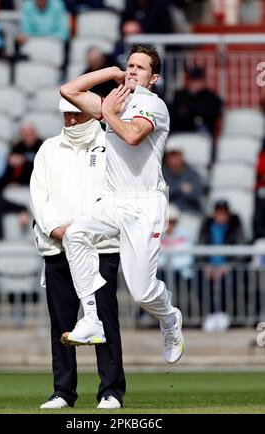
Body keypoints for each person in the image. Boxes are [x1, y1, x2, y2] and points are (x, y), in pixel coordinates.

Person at [59, 44, 184, 364]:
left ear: (154, 78)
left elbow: (131, 136)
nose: (132, 70)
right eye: (129, 65)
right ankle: (91, 319)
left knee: (142, 293)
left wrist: (109, 112)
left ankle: (169, 316)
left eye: (140, 68)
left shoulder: (154, 105)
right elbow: (68, 90)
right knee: (74, 236)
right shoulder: (117, 100)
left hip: (145, 203)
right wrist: (109, 74)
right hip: (114, 199)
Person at [30, 99, 125, 410]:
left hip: (99, 248)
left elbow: (115, 195)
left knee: (104, 320)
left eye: (76, 112)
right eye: (66, 113)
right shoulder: (48, 149)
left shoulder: (110, 144)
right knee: (62, 323)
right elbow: (38, 195)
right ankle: (62, 391)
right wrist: (57, 229)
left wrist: (83, 230)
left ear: (90, 112)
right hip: (57, 247)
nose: (70, 119)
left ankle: (111, 391)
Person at [169, 66, 223, 139]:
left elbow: (213, 112)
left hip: (202, 128)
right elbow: (175, 113)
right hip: (183, 127)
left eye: (199, 80)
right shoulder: (180, 95)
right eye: (193, 80)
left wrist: (190, 110)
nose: (196, 83)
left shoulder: (210, 95)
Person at [162, 146, 204, 214]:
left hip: (189, 212)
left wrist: (170, 188)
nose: (174, 159)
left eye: (176, 155)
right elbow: (162, 195)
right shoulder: (161, 173)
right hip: (168, 213)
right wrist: (180, 187)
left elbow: (197, 194)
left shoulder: (192, 173)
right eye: (171, 156)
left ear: (182, 157)